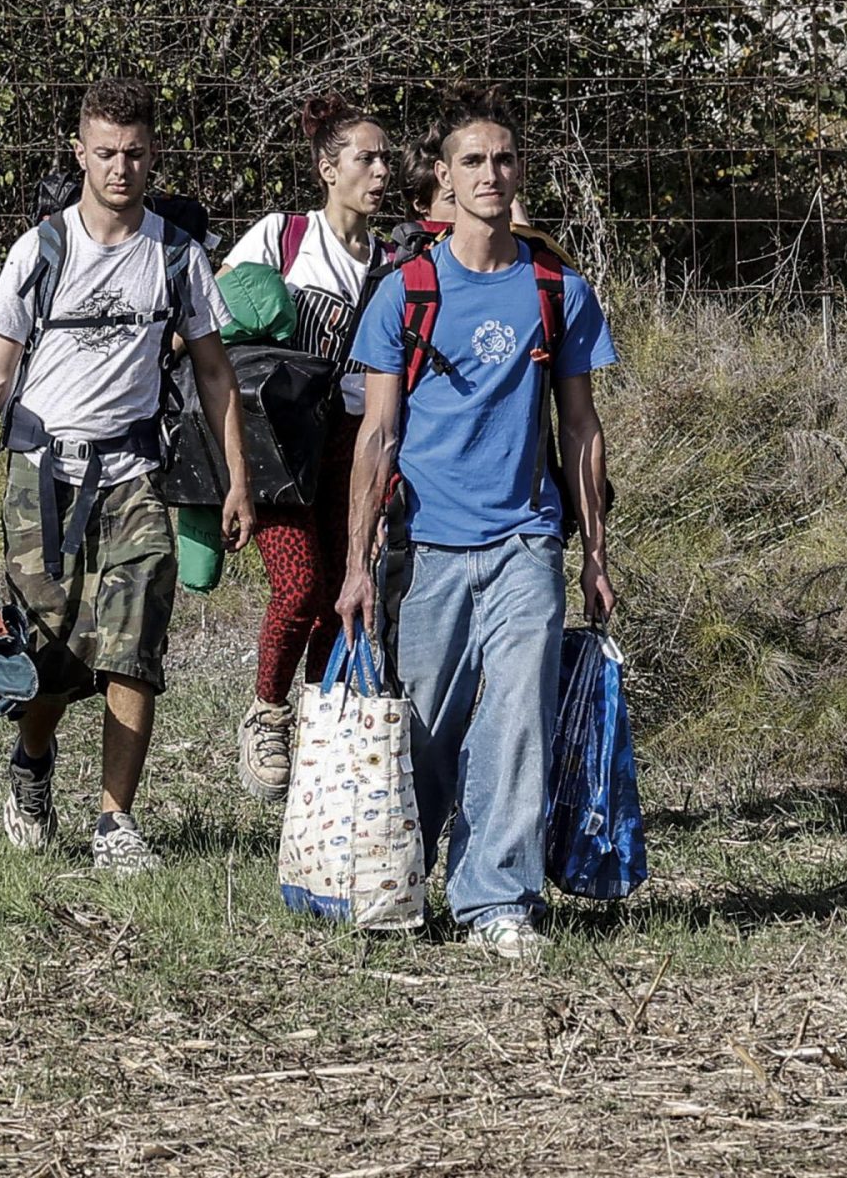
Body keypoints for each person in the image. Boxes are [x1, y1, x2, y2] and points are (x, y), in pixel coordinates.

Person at [0, 80, 255, 875]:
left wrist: (239, 479)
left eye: (136, 152)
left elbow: (215, 375)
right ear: (80, 153)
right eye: (105, 152)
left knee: (133, 642)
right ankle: (32, 762)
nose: (121, 166)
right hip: (42, 474)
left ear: (153, 156)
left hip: (136, 474)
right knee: (49, 656)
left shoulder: (177, 255)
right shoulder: (40, 251)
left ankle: (115, 823)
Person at [333, 85, 618, 961]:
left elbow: (581, 428)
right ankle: (399, 872)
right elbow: (377, 433)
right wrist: (353, 563)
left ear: (517, 171)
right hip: (425, 546)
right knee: (425, 723)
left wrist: (596, 552)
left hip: (527, 537)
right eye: (472, 161)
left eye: (503, 159)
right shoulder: (407, 292)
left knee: (519, 714)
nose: (490, 174)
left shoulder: (555, 288)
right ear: (445, 182)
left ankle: (497, 895)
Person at [218, 94, 397, 801]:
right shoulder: (282, 238)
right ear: (327, 168)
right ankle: (267, 711)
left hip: (354, 446)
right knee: (298, 587)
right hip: (282, 445)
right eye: (365, 157)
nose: (381, 170)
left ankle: (320, 727)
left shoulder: (395, 261)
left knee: (342, 598)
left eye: (386, 158)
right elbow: (214, 321)